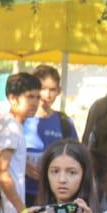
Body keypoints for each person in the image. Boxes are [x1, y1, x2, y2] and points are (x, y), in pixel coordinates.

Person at [0, 72, 41, 213]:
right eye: (30, 97)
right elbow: (2, 171)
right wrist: (21, 210)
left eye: (38, 97)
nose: (35, 102)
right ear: (13, 98)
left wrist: (28, 168)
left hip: (6, 211)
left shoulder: (13, 125)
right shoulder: (10, 128)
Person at [24, 65, 78, 204]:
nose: (47, 95)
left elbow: (76, 157)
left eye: (52, 89)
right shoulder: (20, 120)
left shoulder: (64, 122)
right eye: (42, 89)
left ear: (59, 91)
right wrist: (23, 166)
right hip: (22, 195)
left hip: (54, 197)